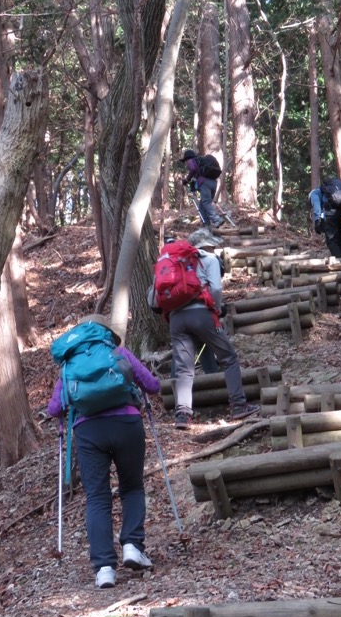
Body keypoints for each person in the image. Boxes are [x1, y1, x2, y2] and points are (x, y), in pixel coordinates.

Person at [47, 314, 161, 589]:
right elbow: (153, 386)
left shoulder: (70, 363)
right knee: (132, 487)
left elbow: (54, 409)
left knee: (97, 498)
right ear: (105, 332)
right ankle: (133, 545)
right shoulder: (117, 351)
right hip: (126, 424)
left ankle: (104, 568)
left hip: (89, 433)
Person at [168, 227, 259, 429]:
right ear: (204, 245)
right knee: (228, 357)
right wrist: (216, 309)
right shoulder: (209, 259)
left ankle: (182, 414)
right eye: (211, 245)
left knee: (184, 367)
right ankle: (238, 405)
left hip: (176, 318)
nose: (214, 248)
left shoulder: (176, 262)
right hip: (202, 314)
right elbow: (216, 289)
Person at [308, 177, 341, 262]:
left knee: (332, 240)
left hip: (331, 214)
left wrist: (317, 221)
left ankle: (339, 263)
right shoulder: (330, 190)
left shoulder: (314, 193)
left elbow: (317, 207)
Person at [179, 148, 224, 228]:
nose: (186, 163)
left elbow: (192, 169)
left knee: (206, 202)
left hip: (205, 183)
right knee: (202, 205)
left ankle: (217, 219)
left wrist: (186, 179)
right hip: (213, 183)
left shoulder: (191, 160)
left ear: (187, 158)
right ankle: (206, 225)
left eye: (185, 161)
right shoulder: (200, 162)